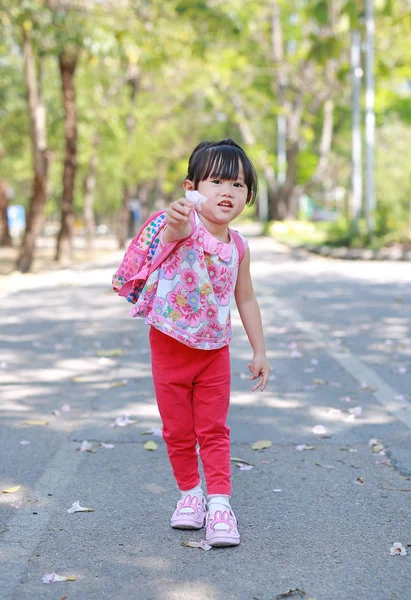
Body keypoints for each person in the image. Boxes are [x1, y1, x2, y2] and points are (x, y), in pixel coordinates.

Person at [136, 138, 271, 547]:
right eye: (216, 181)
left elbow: (244, 297)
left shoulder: (239, 247)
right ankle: (190, 496)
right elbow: (175, 228)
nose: (227, 192)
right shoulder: (185, 227)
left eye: (238, 184)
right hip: (170, 347)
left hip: (214, 352)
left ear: (248, 195)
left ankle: (220, 505)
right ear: (191, 188)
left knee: (213, 429)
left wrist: (259, 349)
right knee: (178, 430)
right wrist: (178, 215)